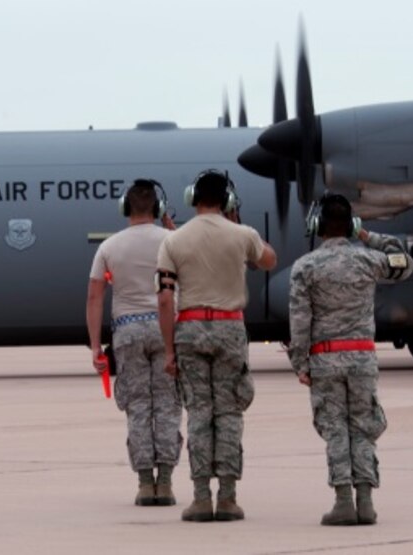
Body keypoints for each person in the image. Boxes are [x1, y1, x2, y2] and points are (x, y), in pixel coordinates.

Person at [156, 169, 277, 522]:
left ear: (193, 199)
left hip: (190, 328)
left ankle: (199, 498)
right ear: (227, 201)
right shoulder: (242, 234)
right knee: (229, 412)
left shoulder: (173, 241)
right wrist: (238, 222)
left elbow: (165, 299)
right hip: (229, 329)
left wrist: (168, 350)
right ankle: (227, 497)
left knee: (198, 412)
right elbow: (269, 259)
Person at [287, 193, 413, 526]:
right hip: (361, 357)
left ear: (317, 226)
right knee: (363, 427)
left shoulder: (305, 267)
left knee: (335, 429)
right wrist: (368, 236)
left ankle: (343, 501)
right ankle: (367, 501)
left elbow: (300, 321)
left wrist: (300, 364)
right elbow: (405, 262)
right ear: (351, 224)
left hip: (325, 359)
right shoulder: (368, 259)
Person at [86, 178, 182, 506]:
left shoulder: (109, 247)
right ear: (157, 208)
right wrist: (173, 228)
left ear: (126, 208)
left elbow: (94, 297)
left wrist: (96, 346)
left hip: (127, 331)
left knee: (138, 407)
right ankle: (166, 481)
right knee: (168, 405)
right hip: (166, 326)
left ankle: (145, 483)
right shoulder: (172, 240)